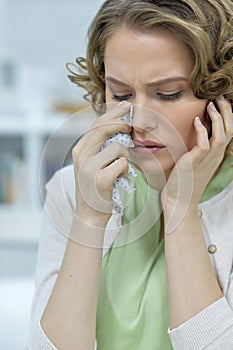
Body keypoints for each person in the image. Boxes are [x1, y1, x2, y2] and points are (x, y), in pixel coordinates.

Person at [29, 0, 233, 349]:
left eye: (167, 94)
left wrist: (180, 209)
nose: (137, 119)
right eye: (121, 94)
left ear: (221, 94)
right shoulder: (70, 190)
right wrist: (89, 217)